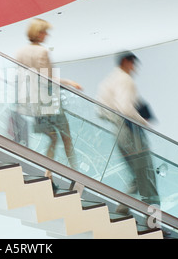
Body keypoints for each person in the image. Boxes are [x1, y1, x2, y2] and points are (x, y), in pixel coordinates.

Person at [97, 51, 160, 209]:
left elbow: (100, 111)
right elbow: (125, 108)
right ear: (126, 61)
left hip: (118, 132)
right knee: (147, 176)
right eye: (133, 64)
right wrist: (143, 122)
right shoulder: (125, 80)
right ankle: (153, 221)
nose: (134, 69)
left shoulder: (108, 81)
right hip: (131, 131)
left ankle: (122, 210)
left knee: (137, 176)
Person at [15, 18, 82, 167]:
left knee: (52, 138)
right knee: (66, 138)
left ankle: (48, 172)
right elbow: (48, 79)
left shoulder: (20, 52)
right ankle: (75, 171)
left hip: (32, 105)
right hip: (49, 102)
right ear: (39, 33)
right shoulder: (42, 51)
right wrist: (69, 82)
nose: (47, 35)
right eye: (45, 32)